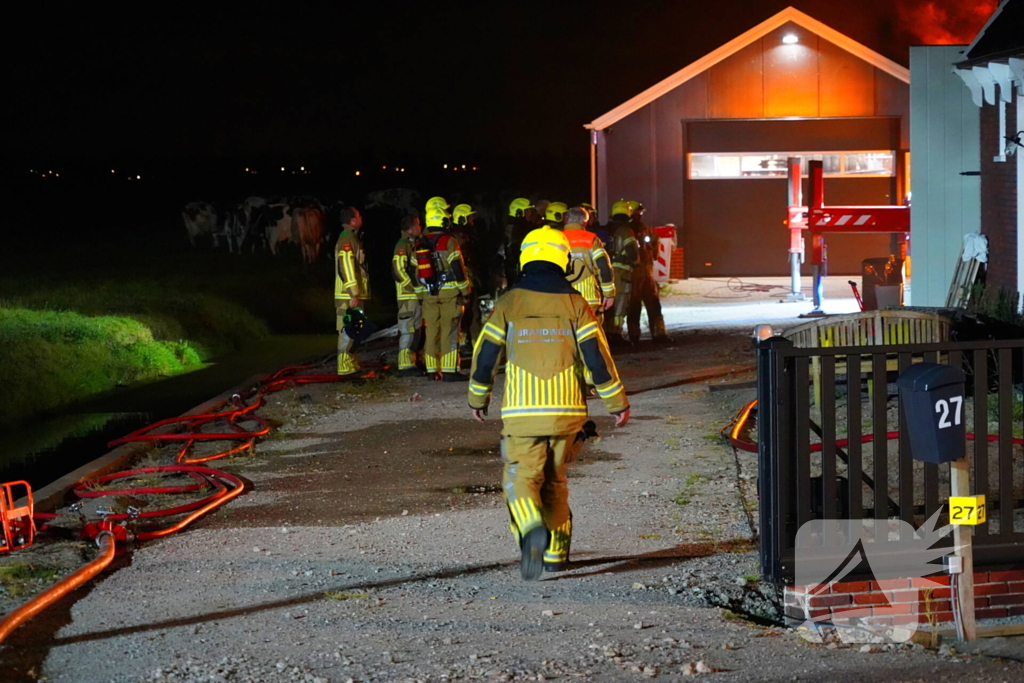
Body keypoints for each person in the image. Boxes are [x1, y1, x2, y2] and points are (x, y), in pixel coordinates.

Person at [468, 227, 631, 580]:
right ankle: (556, 555)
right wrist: (616, 403)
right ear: (564, 260)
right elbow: (597, 359)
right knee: (555, 482)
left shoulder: (509, 303)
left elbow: (486, 355)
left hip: (522, 413)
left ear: (525, 258)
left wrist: (477, 397)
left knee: (521, 477)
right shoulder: (576, 303)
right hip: (566, 413)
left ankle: (530, 528)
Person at [420, 206, 472, 381]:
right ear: (443, 221)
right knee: (449, 331)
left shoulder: (420, 242)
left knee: (431, 331)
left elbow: (415, 271)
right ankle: (450, 370)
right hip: (449, 294)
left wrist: (422, 294)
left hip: (429, 295)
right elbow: (457, 267)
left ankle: (432, 370)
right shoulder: (449, 241)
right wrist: (465, 290)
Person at [556, 205, 615, 322]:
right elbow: (603, 266)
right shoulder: (591, 239)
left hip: (562, 295)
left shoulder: (556, 238)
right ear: (585, 222)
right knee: (591, 333)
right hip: (588, 298)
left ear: (566, 219)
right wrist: (609, 294)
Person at [334, 207, 370, 375]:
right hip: (348, 295)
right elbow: (346, 266)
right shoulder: (347, 239)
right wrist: (353, 293)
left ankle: (350, 365)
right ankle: (345, 368)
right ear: (353, 221)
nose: (361, 218)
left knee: (354, 329)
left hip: (350, 294)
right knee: (348, 330)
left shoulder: (351, 238)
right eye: (359, 216)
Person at [626, 201, 668, 343]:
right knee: (634, 307)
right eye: (638, 213)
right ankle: (634, 336)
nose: (640, 216)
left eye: (641, 213)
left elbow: (654, 250)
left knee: (654, 305)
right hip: (633, 276)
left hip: (646, 275)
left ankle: (659, 334)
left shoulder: (645, 230)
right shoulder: (626, 232)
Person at [392, 213, 426, 376]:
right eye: (418, 225)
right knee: (408, 329)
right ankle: (405, 365)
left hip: (414, 296)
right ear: (411, 229)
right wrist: (411, 288)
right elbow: (398, 270)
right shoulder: (402, 245)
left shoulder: (411, 245)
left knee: (416, 329)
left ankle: (412, 361)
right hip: (407, 297)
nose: (420, 228)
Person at [604, 200, 639, 343]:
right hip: (622, 272)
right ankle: (616, 334)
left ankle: (607, 332)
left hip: (607, 271)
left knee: (608, 303)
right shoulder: (626, 231)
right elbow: (633, 254)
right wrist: (636, 263)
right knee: (621, 303)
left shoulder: (607, 229)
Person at [451, 203, 482, 349]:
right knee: (466, 313)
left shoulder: (467, 234)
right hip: (464, 281)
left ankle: (470, 341)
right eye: (469, 217)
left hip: (470, 279)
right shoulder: (459, 237)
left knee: (472, 312)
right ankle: (464, 341)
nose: (472, 219)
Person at [503, 198, 535, 289]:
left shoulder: (524, 226)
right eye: (527, 211)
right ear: (519, 213)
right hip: (516, 270)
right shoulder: (514, 228)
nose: (529, 214)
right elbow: (512, 250)